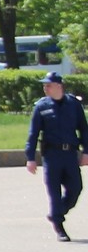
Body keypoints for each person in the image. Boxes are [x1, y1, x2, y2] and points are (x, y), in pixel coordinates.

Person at [26, 71, 87, 241]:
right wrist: (30, 158)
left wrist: (86, 151)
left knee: (76, 189)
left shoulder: (73, 104)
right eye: (44, 85)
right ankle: (59, 228)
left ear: (59, 86)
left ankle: (57, 213)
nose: (45, 88)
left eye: (48, 85)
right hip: (51, 156)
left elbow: (84, 129)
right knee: (54, 192)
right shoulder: (41, 106)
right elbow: (33, 134)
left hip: (70, 154)